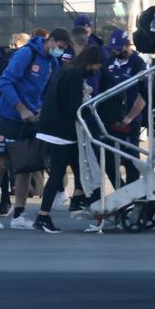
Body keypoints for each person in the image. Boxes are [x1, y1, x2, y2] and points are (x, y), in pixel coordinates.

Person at [0, 27, 71, 229]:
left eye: (63, 48)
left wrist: (39, 109)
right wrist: (20, 108)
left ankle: (19, 215)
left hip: (31, 119)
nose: (60, 50)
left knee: (26, 164)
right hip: (9, 115)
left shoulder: (53, 62)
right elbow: (5, 82)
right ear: (50, 40)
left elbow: (47, 90)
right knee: (1, 161)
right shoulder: (26, 54)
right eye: (59, 46)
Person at [34, 46, 107, 234]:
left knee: (80, 164)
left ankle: (79, 198)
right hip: (61, 132)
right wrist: (90, 116)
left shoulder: (65, 70)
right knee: (58, 174)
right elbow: (74, 107)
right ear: (91, 61)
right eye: (98, 65)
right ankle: (43, 216)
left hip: (53, 128)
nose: (97, 69)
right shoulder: (75, 76)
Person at [103, 29, 147, 188]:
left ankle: (132, 189)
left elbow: (143, 96)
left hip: (130, 119)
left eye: (120, 49)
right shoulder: (109, 63)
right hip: (111, 118)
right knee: (108, 158)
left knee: (131, 157)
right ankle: (119, 187)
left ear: (128, 45)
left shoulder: (138, 64)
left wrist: (129, 117)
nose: (117, 52)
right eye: (114, 49)